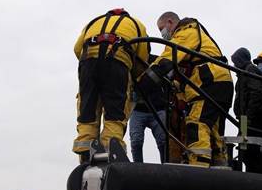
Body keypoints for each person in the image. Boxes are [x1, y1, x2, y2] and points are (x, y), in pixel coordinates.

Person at [140, 11, 233, 167]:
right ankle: (219, 165)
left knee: (197, 123)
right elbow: (181, 74)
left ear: (170, 22)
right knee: (212, 128)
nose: (162, 34)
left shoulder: (186, 33)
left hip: (210, 80)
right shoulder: (195, 37)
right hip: (220, 81)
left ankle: (198, 167)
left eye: (162, 29)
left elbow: (167, 59)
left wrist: (143, 82)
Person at [73, 9, 150, 163]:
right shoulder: (136, 24)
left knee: (88, 109)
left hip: (88, 63)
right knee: (115, 111)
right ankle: (111, 151)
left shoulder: (93, 22)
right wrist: (135, 77)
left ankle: (85, 152)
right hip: (117, 63)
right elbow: (142, 59)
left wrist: (92, 62)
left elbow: (77, 49)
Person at [129, 55, 168, 163]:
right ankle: (138, 168)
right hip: (137, 110)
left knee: (163, 142)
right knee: (136, 141)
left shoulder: (156, 61)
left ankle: (166, 166)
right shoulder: (131, 62)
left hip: (157, 109)